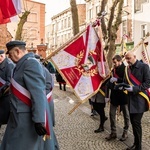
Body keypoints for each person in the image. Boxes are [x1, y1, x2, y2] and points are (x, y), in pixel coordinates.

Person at [0, 41, 55, 150]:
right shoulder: (20, 64)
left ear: (17, 51)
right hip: (17, 116)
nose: (9, 57)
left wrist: (39, 120)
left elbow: (38, 92)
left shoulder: (31, 63)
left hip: (26, 119)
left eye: (10, 54)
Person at [124, 51, 150, 150]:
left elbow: (148, 83)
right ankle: (135, 143)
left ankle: (138, 147)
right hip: (130, 99)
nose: (127, 61)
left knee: (136, 123)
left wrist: (134, 89)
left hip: (140, 99)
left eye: (129, 58)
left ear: (135, 57)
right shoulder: (128, 68)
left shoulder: (144, 67)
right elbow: (125, 81)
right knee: (133, 123)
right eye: (126, 59)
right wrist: (122, 86)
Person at [105, 55, 130, 141]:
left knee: (126, 115)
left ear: (120, 61)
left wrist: (117, 80)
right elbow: (109, 83)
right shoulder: (113, 70)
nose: (114, 64)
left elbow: (127, 80)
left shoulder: (126, 69)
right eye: (113, 62)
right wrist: (107, 95)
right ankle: (113, 132)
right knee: (112, 114)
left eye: (115, 62)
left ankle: (125, 132)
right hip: (114, 95)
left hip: (123, 95)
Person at [0, 50, 15, 128]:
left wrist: (1, 90)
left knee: (5, 117)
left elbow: (10, 82)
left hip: (5, 95)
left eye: (1, 56)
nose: (0, 58)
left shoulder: (9, 65)